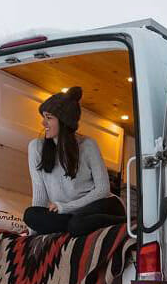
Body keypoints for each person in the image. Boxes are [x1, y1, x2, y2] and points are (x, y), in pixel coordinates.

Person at [24, 86, 126, 236]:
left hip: (102, 204)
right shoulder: (36, 148)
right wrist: (32, 233)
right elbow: (39, 195)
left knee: (77, 223)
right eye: (44, 117)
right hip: (70, 214)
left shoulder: (88, 145)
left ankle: (121, 220)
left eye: (49, 118)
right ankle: (72, 225)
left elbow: (103, 189)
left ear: (65, 121)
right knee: (30, 215)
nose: (43, 123)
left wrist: (66, 207)